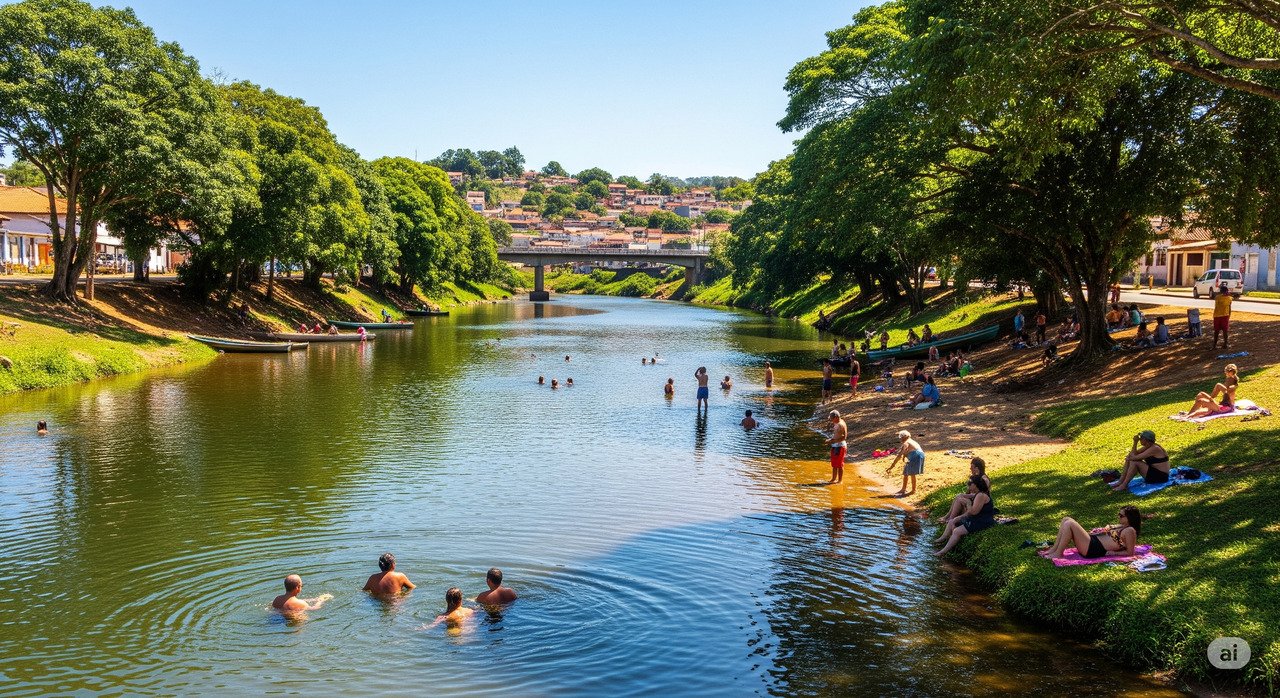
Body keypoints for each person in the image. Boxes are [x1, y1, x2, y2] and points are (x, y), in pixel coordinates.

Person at [1039, 506, 1141, 561]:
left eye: (1121, 515)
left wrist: (1112, 553)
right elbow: (1108, 529)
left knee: (1070, 523)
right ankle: (1054, 549)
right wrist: (1106, 529)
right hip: (1092, 542)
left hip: (1094, 548)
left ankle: (1058, 554)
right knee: (1066, 519)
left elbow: (1130, 552)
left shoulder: (1130, 531)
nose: (1118, 517)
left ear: (1129, 518)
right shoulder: (1122, 526)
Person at [934, 476, 996, 556]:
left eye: (970, 483)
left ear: (976, 485)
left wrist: (968, 503)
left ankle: (942, 552)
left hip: (982, 521)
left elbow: (974, 512)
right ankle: (942, 540)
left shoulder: (981, 495)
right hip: (976, 518)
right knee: (952, 521)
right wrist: (959, 517)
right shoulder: (977, 494)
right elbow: (970, 511)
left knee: (957, 531)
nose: (968, 485)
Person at [938, 458, 990, 522]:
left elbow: (983, 495)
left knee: (960, 498)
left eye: (971, 467)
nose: (970, 469)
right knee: (959, 496)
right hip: (974, 499)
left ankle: (950, 519)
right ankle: (948, 516)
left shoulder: (984, 479)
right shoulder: (976, 477)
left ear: (976, 468)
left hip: (979, 503)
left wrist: (966, 496)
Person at [885, 430, 924, 497]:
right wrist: (904, 456)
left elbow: (900, 455)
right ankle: (903, 489)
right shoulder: (910, 441)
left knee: (912, 473)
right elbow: (908, 451)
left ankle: (913, 490)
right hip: (914, 456)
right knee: (905, 473)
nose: (901, 439)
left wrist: (892, 466)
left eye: (902, 437)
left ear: (906, 437)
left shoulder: (906, 442)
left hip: (916, 456)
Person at [826, 410, 848, 484]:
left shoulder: (840, 424)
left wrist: (832, 441)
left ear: (836, 417)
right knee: (834, 463)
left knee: (839, 464)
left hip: (840, 446)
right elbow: (837, 435)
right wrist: (831, 440)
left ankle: (840, 480)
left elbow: (844, 437)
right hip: (835, 445)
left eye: (832, 418)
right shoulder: (838, 422)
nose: (831, 420)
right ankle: (833, 479)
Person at [1212, 283, 1233, 349]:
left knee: (1216, 331)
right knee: (1225, 331)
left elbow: (1216, 305)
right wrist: (1229, 316)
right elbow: (1230, 309)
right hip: (1225, 316)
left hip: (1217, 316)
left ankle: (1214, 345)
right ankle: (1225, 344)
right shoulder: (1229, 298)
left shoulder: (1217, 297)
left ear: (1221, 291)